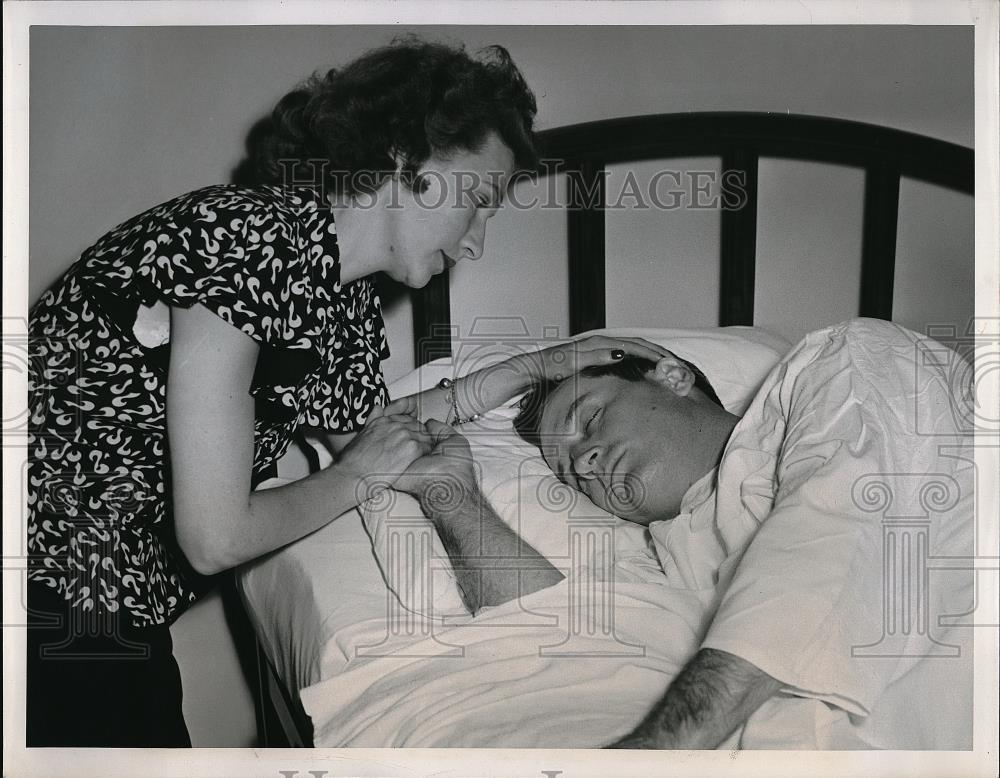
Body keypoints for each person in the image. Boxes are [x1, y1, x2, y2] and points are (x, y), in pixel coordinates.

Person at [26, 36, 672, 747]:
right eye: (477, 202)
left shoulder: (340, 305)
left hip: (102, 604)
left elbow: (383, 429)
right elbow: (216, 538)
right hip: (41, 577)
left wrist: (536, 366)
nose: (475, 242)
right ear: (402, 159)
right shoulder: (246, 238)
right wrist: (359, 476)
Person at [393, 318, 974, 749]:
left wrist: (658, 753)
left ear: (671, 376)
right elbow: (571, 646)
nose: (587, 460)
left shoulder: (844, 361)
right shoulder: (670, 554)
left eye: (590, 418)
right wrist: (453, 494)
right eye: (571, 472)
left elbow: (840, 520)